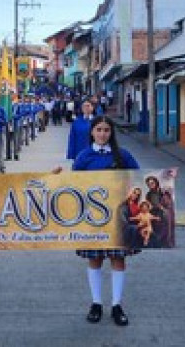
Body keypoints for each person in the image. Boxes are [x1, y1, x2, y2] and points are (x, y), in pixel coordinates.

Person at [53, 115, 140, 326]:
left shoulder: (123, 156)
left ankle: (117, 305)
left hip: (118, 217)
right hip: (92, 218)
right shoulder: (83, 157)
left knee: (118, 260)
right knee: (95, 259)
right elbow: (73, 187)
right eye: (99, 129)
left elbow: (139, 179)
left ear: (111, 133)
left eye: (106, 130)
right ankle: (97, 303)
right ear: (92, 132)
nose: (102, 134)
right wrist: (56, 177)